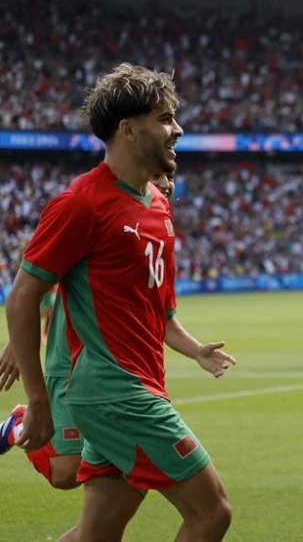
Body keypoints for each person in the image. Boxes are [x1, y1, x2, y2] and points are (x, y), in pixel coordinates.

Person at [4, 63, 233, 540]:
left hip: (140, 384)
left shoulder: (157, 203)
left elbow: (160, 311)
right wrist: (38, 402)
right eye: (165, 118)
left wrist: (195, 351)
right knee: (212, 513)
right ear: (128, 130)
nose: (178, 129)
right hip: (115, 393)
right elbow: (23, 298)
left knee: (97, 533)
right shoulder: (81, 203)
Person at [1, 165, 234, 496]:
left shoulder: (158, 227)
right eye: (157, 177)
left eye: (169, 178)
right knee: (65, 473)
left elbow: (162, 315)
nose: (165, 184)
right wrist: (16, 341)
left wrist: (197, 350)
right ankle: (18, 425)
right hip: (73, 364)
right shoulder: (96, 208)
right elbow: (41, 284)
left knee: (95, 514)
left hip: (125, 378)